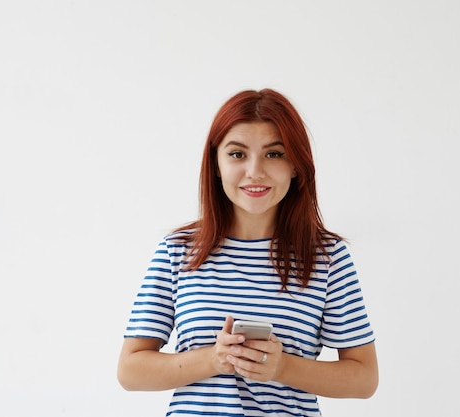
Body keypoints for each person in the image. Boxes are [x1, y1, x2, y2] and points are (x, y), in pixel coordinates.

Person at [117, 88, 378, 416]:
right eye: (237, 154)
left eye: (274, 154)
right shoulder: (179, 250)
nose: (255, 171)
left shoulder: (328, 257)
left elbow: (364, 378)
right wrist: (213, 359)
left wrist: (282, 368)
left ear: (296, 165)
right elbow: (130, 370)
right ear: (216, 164)